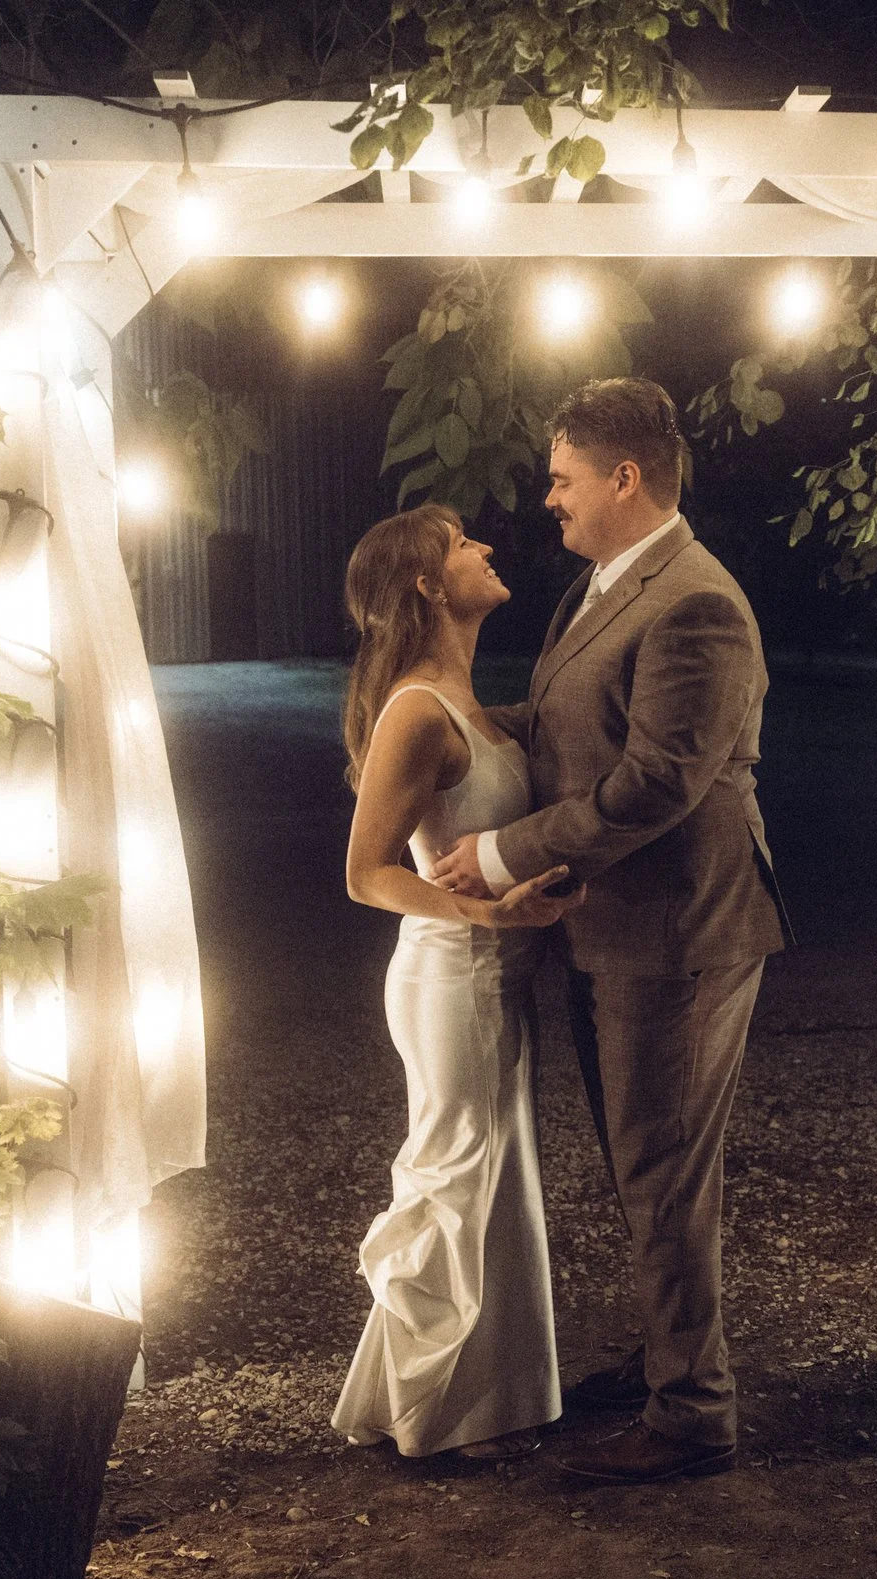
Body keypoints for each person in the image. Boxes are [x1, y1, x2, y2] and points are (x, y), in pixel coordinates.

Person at [431, 377, 793, 1485]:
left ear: (623, 477)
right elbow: (565, 726)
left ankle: (692, 1411)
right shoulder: (601, 586)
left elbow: (653, 787)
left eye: (561, 478)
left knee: (664, 1167)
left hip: (678, 926)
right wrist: (446, 725)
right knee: (646, 1159)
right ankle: (667, 1356)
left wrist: (500, 852)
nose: (549, 500)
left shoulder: (697, 602)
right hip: (610, 927)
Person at [331, 503, 584, 1462]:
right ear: (430, 586)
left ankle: (487, 1395)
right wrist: (488, 913)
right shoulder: (415, 710)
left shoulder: (468, 697)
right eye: (461, 543)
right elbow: (367, 872)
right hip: (454, 977)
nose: (485, 546)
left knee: (491, 1173)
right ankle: (433, 1408)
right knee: (455, 1172)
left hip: (496, 974)